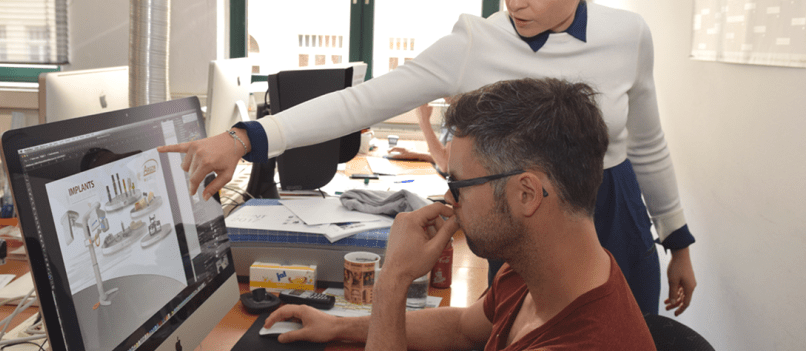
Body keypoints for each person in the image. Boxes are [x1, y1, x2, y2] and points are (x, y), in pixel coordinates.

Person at [159, 0, 696, 316]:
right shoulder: (475, 42)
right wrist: (247, 137)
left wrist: (677, 241)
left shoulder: (629, 37)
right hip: (520, 224)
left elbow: (648, 143)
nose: (516, 2)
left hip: (614, 217)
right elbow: (362, 100)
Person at [262, 78, 656, 350]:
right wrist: (339, 326)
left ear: (526, 193)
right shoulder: (538, 269)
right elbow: (462, 327)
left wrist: (394, 279)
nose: (450, 200)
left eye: (459, 184)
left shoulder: (582, 340)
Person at [386, 102, 451, 174]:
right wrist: (416, 155)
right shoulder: (452, 111)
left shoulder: (461, 117)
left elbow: (445, 164)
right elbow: (449, 159)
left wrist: (424, 121)